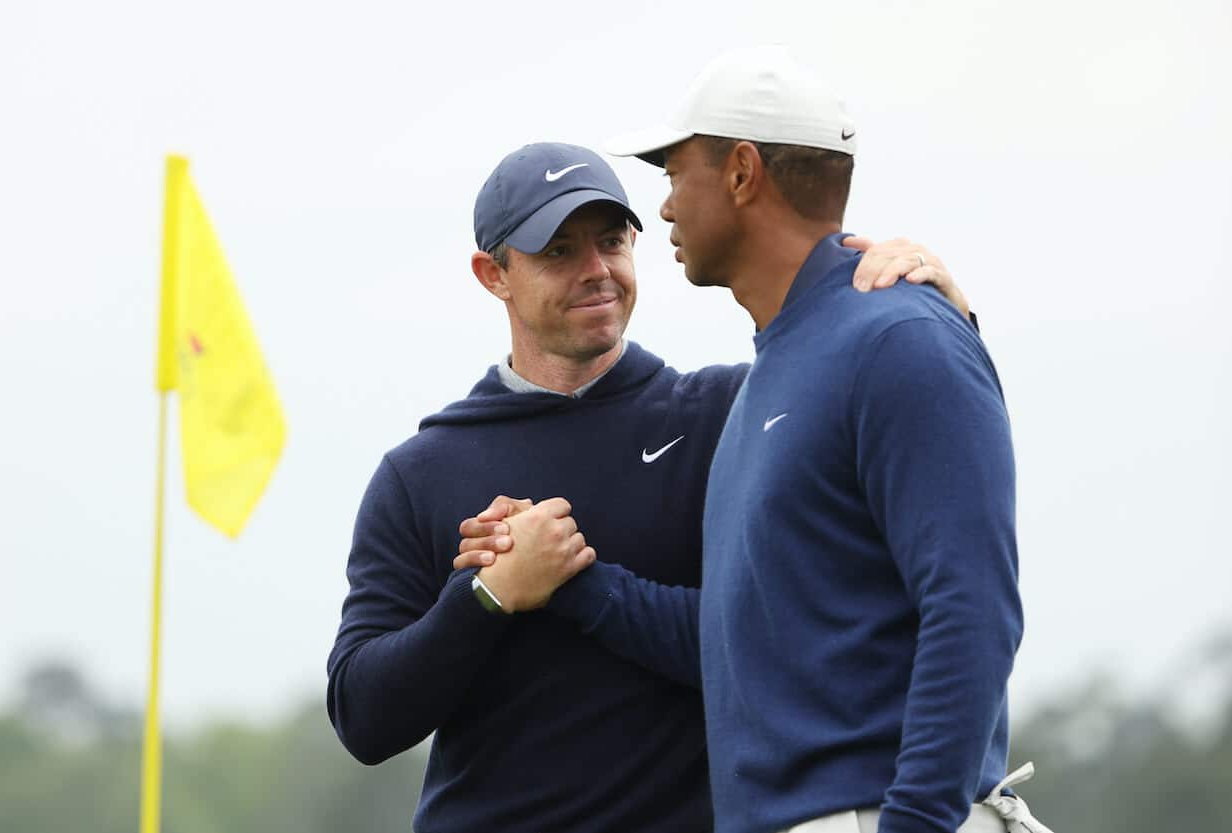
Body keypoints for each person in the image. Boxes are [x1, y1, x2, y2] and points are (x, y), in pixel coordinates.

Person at [327, 141, 972, 833]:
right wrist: (488, 592)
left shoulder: (732, 414)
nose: (596, 271)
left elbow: (786, 643)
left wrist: (947, 321)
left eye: (611, 241)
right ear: (494, 274)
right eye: (559, 251)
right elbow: (366, 718)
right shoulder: (421, 471)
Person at [602, 46, 1051, 833]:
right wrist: (572, 585)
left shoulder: (899, 335)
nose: (664, 208)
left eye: (674, 173)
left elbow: (973, 607)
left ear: (742, 172)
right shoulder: (784, 364)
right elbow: (744, 635)